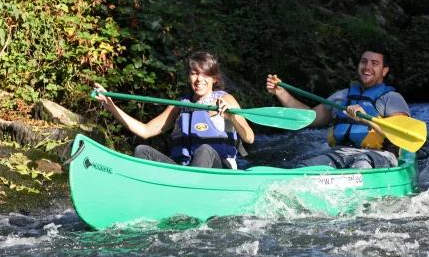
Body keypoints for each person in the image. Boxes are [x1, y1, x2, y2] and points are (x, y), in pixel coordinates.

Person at [94, 52, 254, 169]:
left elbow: (250, 138)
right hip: (184, 170)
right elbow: (145, 131)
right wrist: (112, 107)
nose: (199, 80)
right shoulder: (180, 104)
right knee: (142, 150)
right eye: (194, 74)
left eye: (205, 75)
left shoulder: (225, 100)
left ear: (214, 79)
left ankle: (191, 194)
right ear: (188, 77)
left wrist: (232, 118)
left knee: (204, 149)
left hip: (219, 172)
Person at [265, 44, 410, 169]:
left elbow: (401, 132)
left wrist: (367, 120)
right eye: (364, 62)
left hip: (379, 155)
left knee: (361, 165)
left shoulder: (392, 98)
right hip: (339, 154)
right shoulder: (341, 97)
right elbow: (309, 117)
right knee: (305, 167)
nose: (367, 67)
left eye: (374, 63)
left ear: (384, 71)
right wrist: (281, 92)